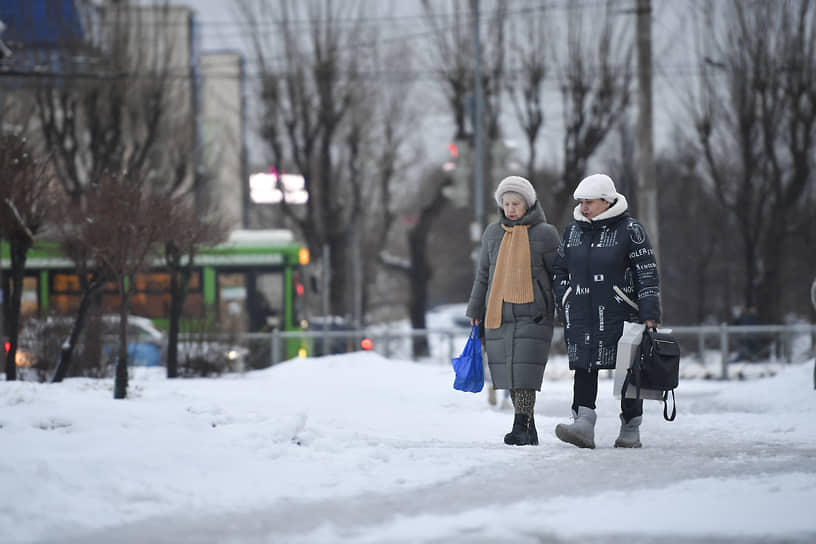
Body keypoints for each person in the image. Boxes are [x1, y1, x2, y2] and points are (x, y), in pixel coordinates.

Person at [552, 173, 661, 449]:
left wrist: (650, 314)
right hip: (581, 313)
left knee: (630, 370)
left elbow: (646, 273)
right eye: (581, 202)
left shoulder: (630, 230)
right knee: (583, 367)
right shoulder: (573, 231)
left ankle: (630, 427)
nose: (584, 207)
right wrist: (566, 296)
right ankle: (583, 424)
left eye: (590, 202)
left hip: (623, 314)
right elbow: (560, 269)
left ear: (607, 201)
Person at [465, 176, 561, 446]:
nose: (510, 208)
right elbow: (483, 275)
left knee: (525, 372)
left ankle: (521, 424)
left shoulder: (545, 234)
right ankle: (527, 429)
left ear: (527, 203)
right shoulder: (492, 234)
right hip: (499, 312)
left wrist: (564, 309)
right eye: (506, 203)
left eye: (516, 203)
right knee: (510, 371)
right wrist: (475, 308)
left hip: (534, 313)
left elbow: (559, 275)